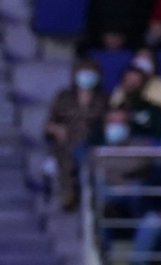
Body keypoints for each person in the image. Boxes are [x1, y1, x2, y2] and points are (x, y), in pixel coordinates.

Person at [45, 58, 110, 211]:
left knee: (85, 153)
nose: (86, 76)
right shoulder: (64, 96)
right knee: (67, 152)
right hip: (67, 141)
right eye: (83, 72)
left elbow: (108, 122)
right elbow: (48, 125)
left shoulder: (104, 98)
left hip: (92, 141)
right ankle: (68, 195)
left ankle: (95, 199)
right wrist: (56, 129)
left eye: (90, 72)